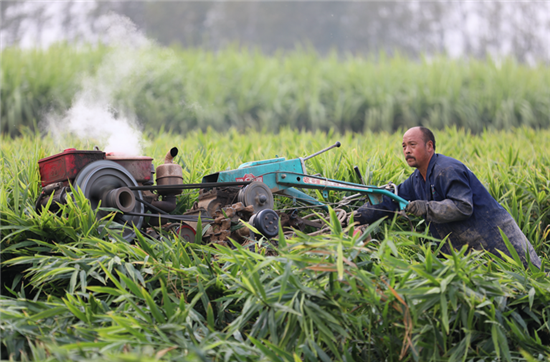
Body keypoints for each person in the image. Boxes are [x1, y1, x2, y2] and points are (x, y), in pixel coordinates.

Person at [354, 126, 541, 268]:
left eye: (412, 145)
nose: (407, 150)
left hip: (499, 243)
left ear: (429, 146)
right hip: (472, 255)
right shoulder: (416, 179)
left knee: (527, 288)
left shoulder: (447, 170)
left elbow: (463, 207)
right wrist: (356, 216)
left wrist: (425, 208)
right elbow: (391, 201)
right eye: (404, 146)